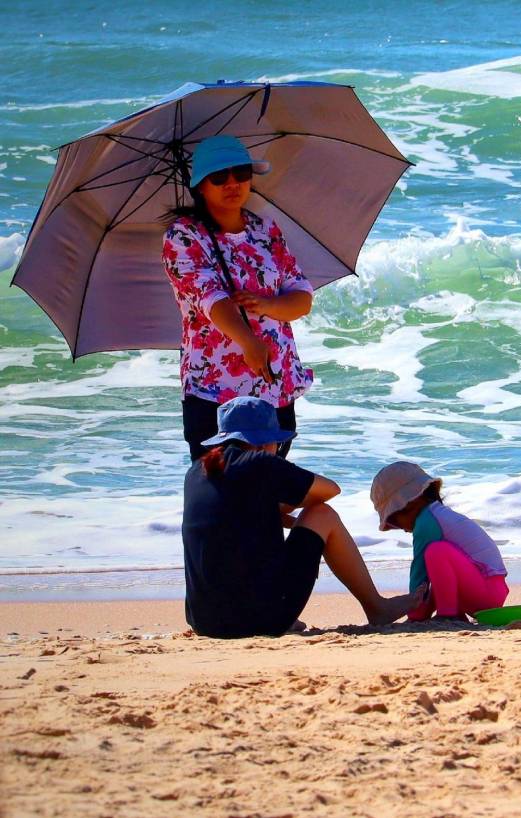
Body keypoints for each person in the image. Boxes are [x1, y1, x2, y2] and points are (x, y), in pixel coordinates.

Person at [182, 397, 418, 638]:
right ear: (264, 442)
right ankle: (376, 607)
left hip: (203, 621)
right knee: (322, 514)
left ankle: (277, 611)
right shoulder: (261, 463)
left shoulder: (197, 471)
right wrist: (287, 509)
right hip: (256, 621)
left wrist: (271, 507)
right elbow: (330, 490)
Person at [162, 134, 315, 461]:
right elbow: (209, 299)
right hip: (215, 390)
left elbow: (301, 296)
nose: (232, 183)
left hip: (274, 382)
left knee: (268, 493)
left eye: (241, 173)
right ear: (201, 185)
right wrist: (247, 341)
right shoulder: (184, 235)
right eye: (219, 177)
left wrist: (267, 305)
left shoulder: (266, 230)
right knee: (222, 494)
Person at [370, 461, 510, 621]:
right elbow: (439, 578)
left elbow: (419, 572)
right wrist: (422, 611)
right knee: (440, 564)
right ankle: (453, 612)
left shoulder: (426, 522)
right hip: (489, 590)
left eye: (394, 520)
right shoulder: (438, 516)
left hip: (485, 593)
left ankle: (448, 614)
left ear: (409, 503)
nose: (400, 528)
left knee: (436, 552)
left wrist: (413, 608)